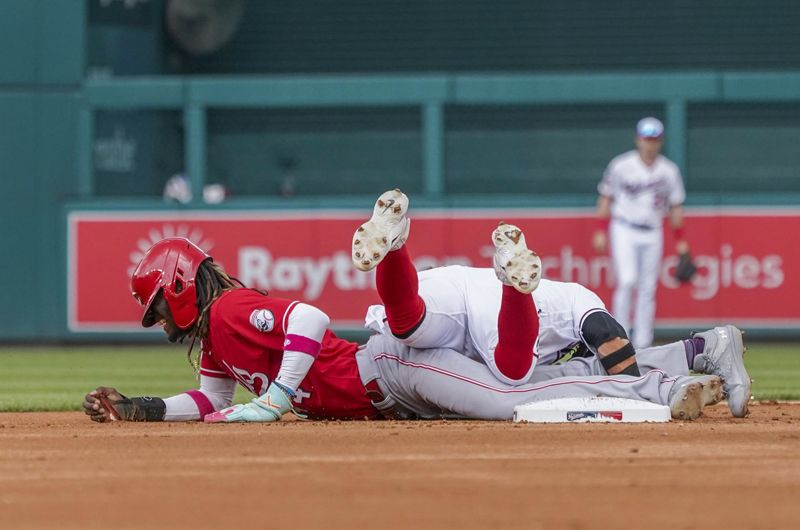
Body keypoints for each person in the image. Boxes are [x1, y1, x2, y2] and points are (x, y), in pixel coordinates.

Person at [82, 237, 725, 424]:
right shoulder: (217, 339)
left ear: (175, 290)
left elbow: (306, 318)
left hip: (389, 370)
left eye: (158, 309)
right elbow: (212, 403)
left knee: (511, 400)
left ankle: (659, 393)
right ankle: (681, 360)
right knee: (531, 381)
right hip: (395, 395)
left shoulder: (225, 312)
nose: (158, 322)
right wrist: (139, 409)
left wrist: (276, 399)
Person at [352, 189, 750, 418]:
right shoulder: (578, 298)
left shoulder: (570, 301)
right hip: (495, 306)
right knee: (515, 376)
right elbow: (609, 340)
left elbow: (597, 362)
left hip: (449, 284)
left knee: (407, 324)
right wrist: (635, 393)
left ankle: (396, 245)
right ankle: (513, 284)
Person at [592, 117, 689, 350]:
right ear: (638, 139)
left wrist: (682, 241)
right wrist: (599, 230)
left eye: (654, 139)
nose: (650, 144)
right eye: (646, 138)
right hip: (624, 227)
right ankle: (619, 337)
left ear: (661, 141)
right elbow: (606, 197)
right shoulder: (621, 165)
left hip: (653, 231)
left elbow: (675, 207)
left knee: (648, 288)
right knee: (627, 281)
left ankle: (644, 342)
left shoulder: (669, 170)